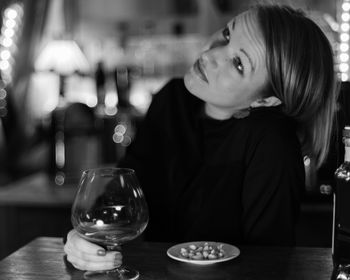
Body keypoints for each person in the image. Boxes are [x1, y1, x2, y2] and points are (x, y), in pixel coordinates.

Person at [64, 3, 338, 271]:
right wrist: (86, 239)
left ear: (266, 101)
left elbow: (269, 264)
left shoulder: (271, 144)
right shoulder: (172, 100)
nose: (210, 55)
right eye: (227, 34)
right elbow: (123, 191)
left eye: (239, 63)